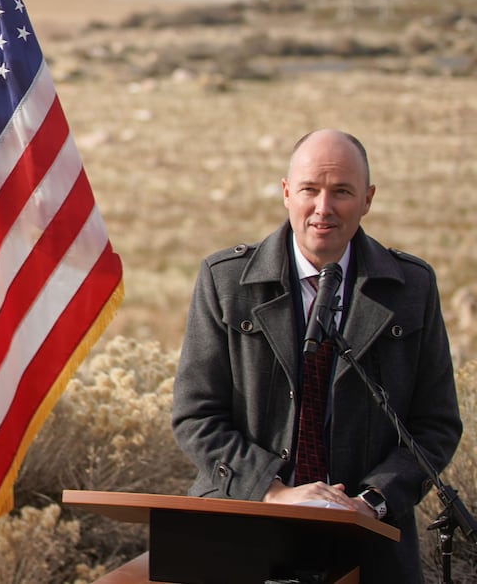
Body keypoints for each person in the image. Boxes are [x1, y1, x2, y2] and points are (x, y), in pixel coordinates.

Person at [172, 129, 463, 582]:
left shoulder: (411, 288)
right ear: (287, 193)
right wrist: (272, 491)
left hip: (368, 545)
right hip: (244, 532)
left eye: (342, 192)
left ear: (367, 199)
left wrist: (371, 501)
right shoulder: (225, 281)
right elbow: (196, 416)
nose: (323, 208)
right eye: (310, 190)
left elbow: (435, 423)